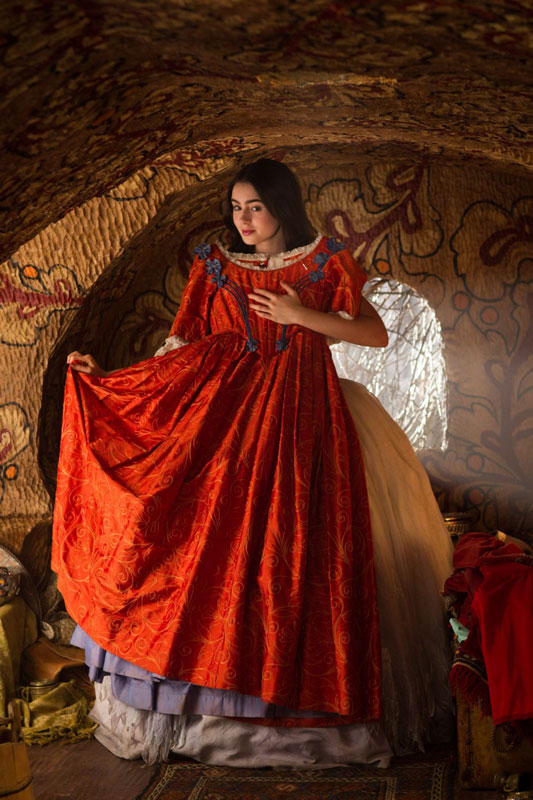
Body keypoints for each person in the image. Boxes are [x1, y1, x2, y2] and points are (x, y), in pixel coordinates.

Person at [52, 158, 453, 767]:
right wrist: (108, 384)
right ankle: (202, 712)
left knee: (302, 556)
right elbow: (176, 352)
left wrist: (301, 317)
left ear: (282, 208)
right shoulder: (214, 268)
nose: (243, 219)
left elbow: (375, 335)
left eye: (255, 208)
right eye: (236, 207)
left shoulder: (325, 263)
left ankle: (316, 719)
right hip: (226, 427)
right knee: (210, 555)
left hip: (305, 423)